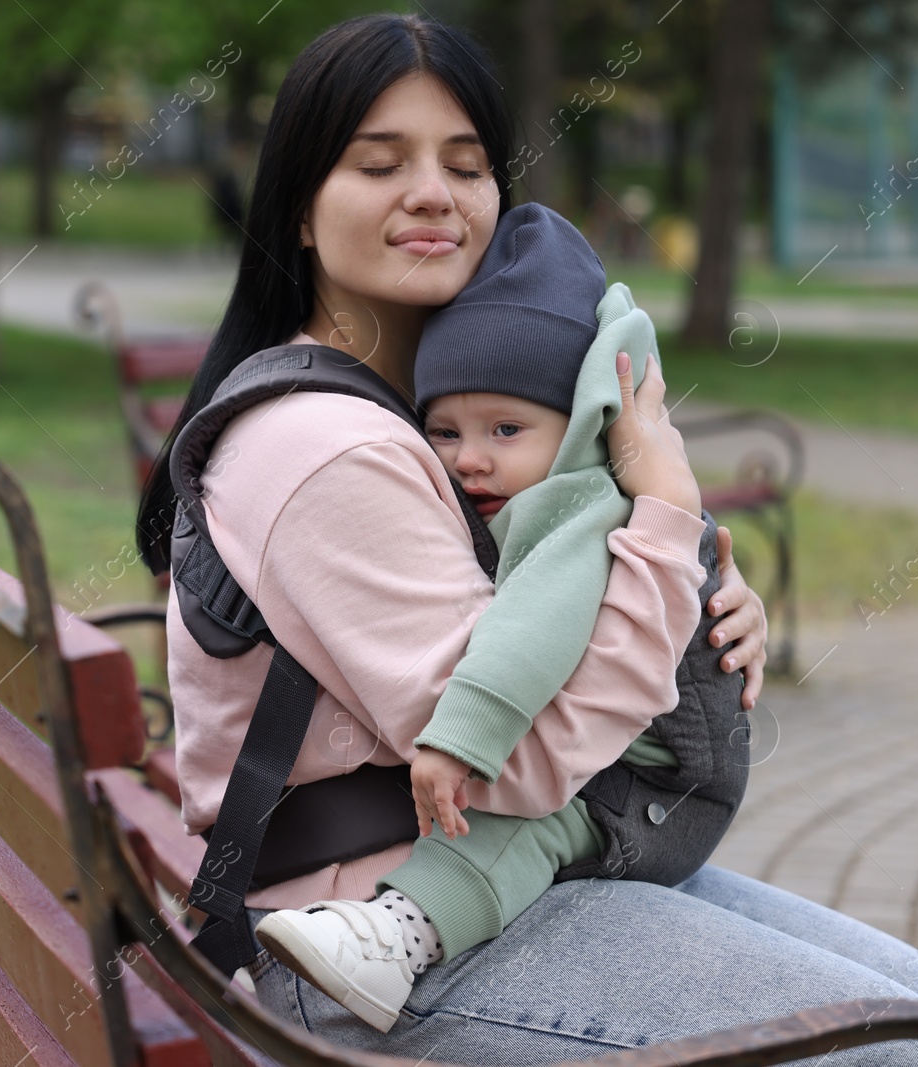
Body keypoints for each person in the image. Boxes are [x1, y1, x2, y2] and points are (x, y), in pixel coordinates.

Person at [136, 12, 918, 1062]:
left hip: (492, 885)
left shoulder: (428, 413)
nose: (434, 192)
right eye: (380, 163)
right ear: (298, 206)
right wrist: (659, 524)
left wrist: (695, 609)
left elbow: (554, 595)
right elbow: (509, 767)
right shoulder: (326, 449)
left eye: (465, 165)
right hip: (371, 954)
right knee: (902, 1045)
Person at [252, 202, 743, 1032]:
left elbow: (536, 623)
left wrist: (460, 736)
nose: (469, 455)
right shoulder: (537, 493)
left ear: (580, 428)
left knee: (513, 823)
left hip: (654, 787)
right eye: (443, 429)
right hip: (633, 770)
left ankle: (400, 935)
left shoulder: (576, 506)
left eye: (506, 429)